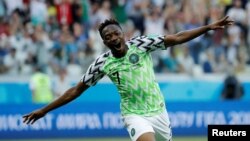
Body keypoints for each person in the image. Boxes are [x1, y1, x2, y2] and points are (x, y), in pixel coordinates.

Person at [23, 16, 233, 141]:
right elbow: (76, 89)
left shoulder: (141, 44)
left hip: (159, 111)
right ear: (104, 42)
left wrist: (207, 27)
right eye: (108, 37)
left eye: (116, 33)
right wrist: (44, 110)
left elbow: (176, 38)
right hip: (134, 114)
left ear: (123, 33)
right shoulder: (102, 63)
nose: (113, 38)